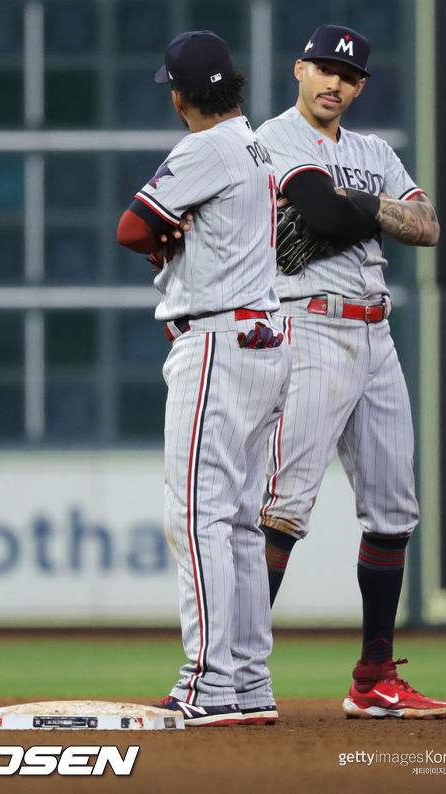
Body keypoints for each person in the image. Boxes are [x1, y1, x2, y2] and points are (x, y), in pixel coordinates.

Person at [256, 24, 446, 719]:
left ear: (362, 86)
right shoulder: (275, 137)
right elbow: (317, 214)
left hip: (376, 334)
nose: (334, 83)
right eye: (323, 69)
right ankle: (231, 670)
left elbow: (428, 227)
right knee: (282, 508)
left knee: (395, 511)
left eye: (348, 75)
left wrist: (363, 207)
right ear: (298, 69)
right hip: (308, 325)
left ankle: (374, 679)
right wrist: (374, 213)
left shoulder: (374, 152)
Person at [117, 30, 291, 726]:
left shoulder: (204, 145)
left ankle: (209, 683)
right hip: (263, 339)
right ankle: (248, 684)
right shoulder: (255, 144)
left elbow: (133, 227)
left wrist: (163, 232)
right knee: (240, 524)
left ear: (182, 97)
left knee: (195, 518)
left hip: (218, 339)